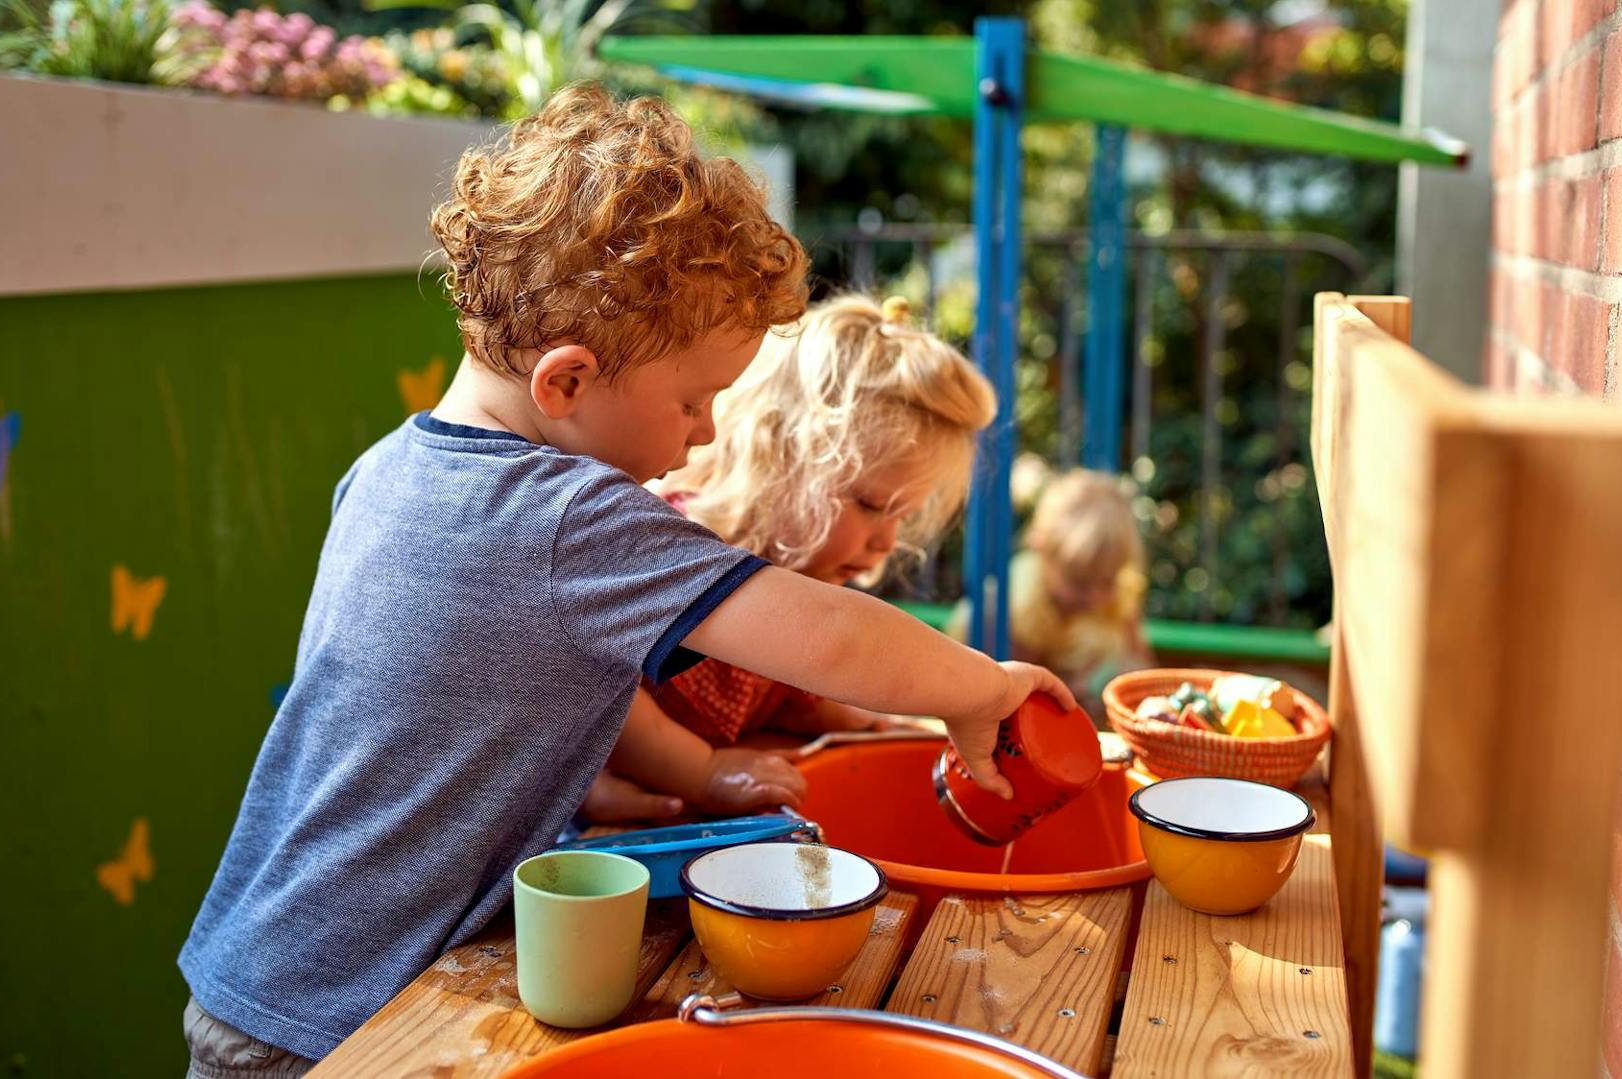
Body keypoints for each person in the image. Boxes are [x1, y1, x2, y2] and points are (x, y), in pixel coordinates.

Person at [176, 84, 1072, 1075]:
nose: (708, 432)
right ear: (565, 382)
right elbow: (827, 633)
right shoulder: (568, 514)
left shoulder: (388, 468)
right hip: (345, 1008)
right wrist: (982, 689)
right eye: (694, 400)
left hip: (267, 963)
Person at [596, 294, 996, 813]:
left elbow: (787, 691)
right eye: (872, 504)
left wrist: (858, 720)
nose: (887, 542)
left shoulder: (800, 566)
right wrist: (704, 771)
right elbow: (615, 703)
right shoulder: (678, 546)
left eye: (902, 516)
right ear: (779, 455)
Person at [947, 468, 1152, 710]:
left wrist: (1106, 677)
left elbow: (1142, 676)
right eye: (1080, 583)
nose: (1095, 595)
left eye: (1107, 582)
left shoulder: (1118, 603)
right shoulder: (1012, 608)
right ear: (1041, 551)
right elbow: (1003, 694)